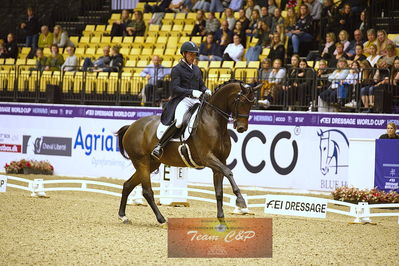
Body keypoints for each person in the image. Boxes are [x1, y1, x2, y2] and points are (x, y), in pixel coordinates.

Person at [151, 42, 211, 159]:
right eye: (191, 55)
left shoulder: (197, 69)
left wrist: (206, 90)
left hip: (197, 101)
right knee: (179, 122)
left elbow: (201, 85)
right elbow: (175, 88)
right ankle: (159, 146)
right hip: (183, 100)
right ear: (184, 54)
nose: (193, 57)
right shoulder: (177, 69)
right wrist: (191, 92)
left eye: (195, 55)